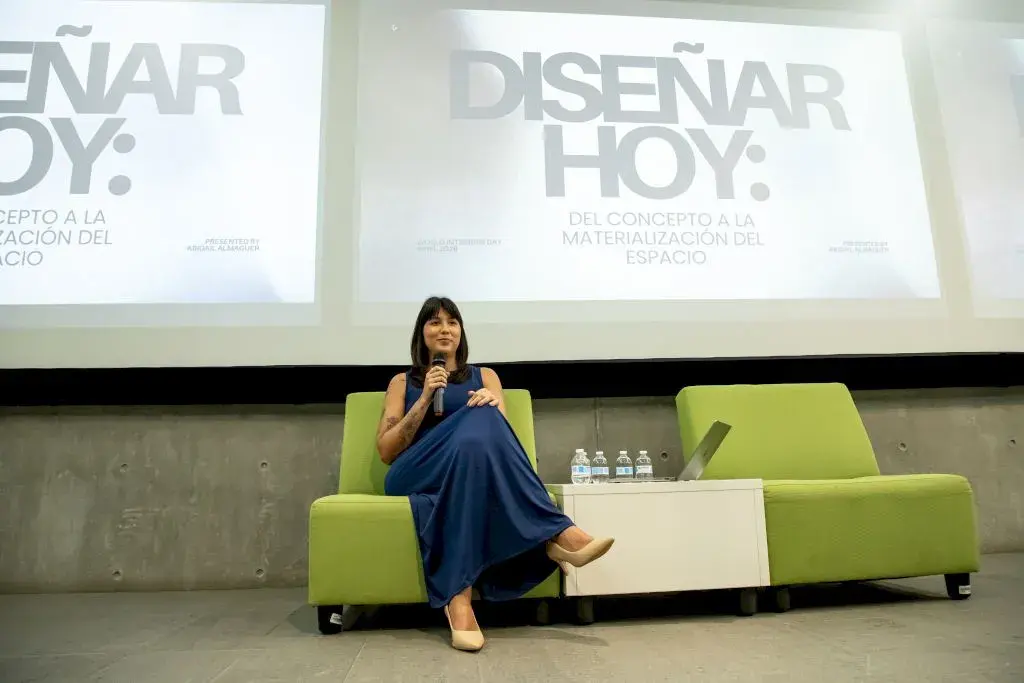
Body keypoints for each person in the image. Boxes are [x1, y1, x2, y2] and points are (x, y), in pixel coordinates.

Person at [377, 296, 614, 652]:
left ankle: (460, 601)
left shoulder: (485, 377)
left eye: (452, 322)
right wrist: (425, 398)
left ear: (461, 332)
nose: (444, 329)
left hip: (466, 475)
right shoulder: (402, 382)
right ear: (421, 333)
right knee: (479, 414)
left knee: (485, 415)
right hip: (414, 471)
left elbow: (499, 444)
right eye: (435, 322)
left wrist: (490, 404)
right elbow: (386, 451)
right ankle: (557, 531)